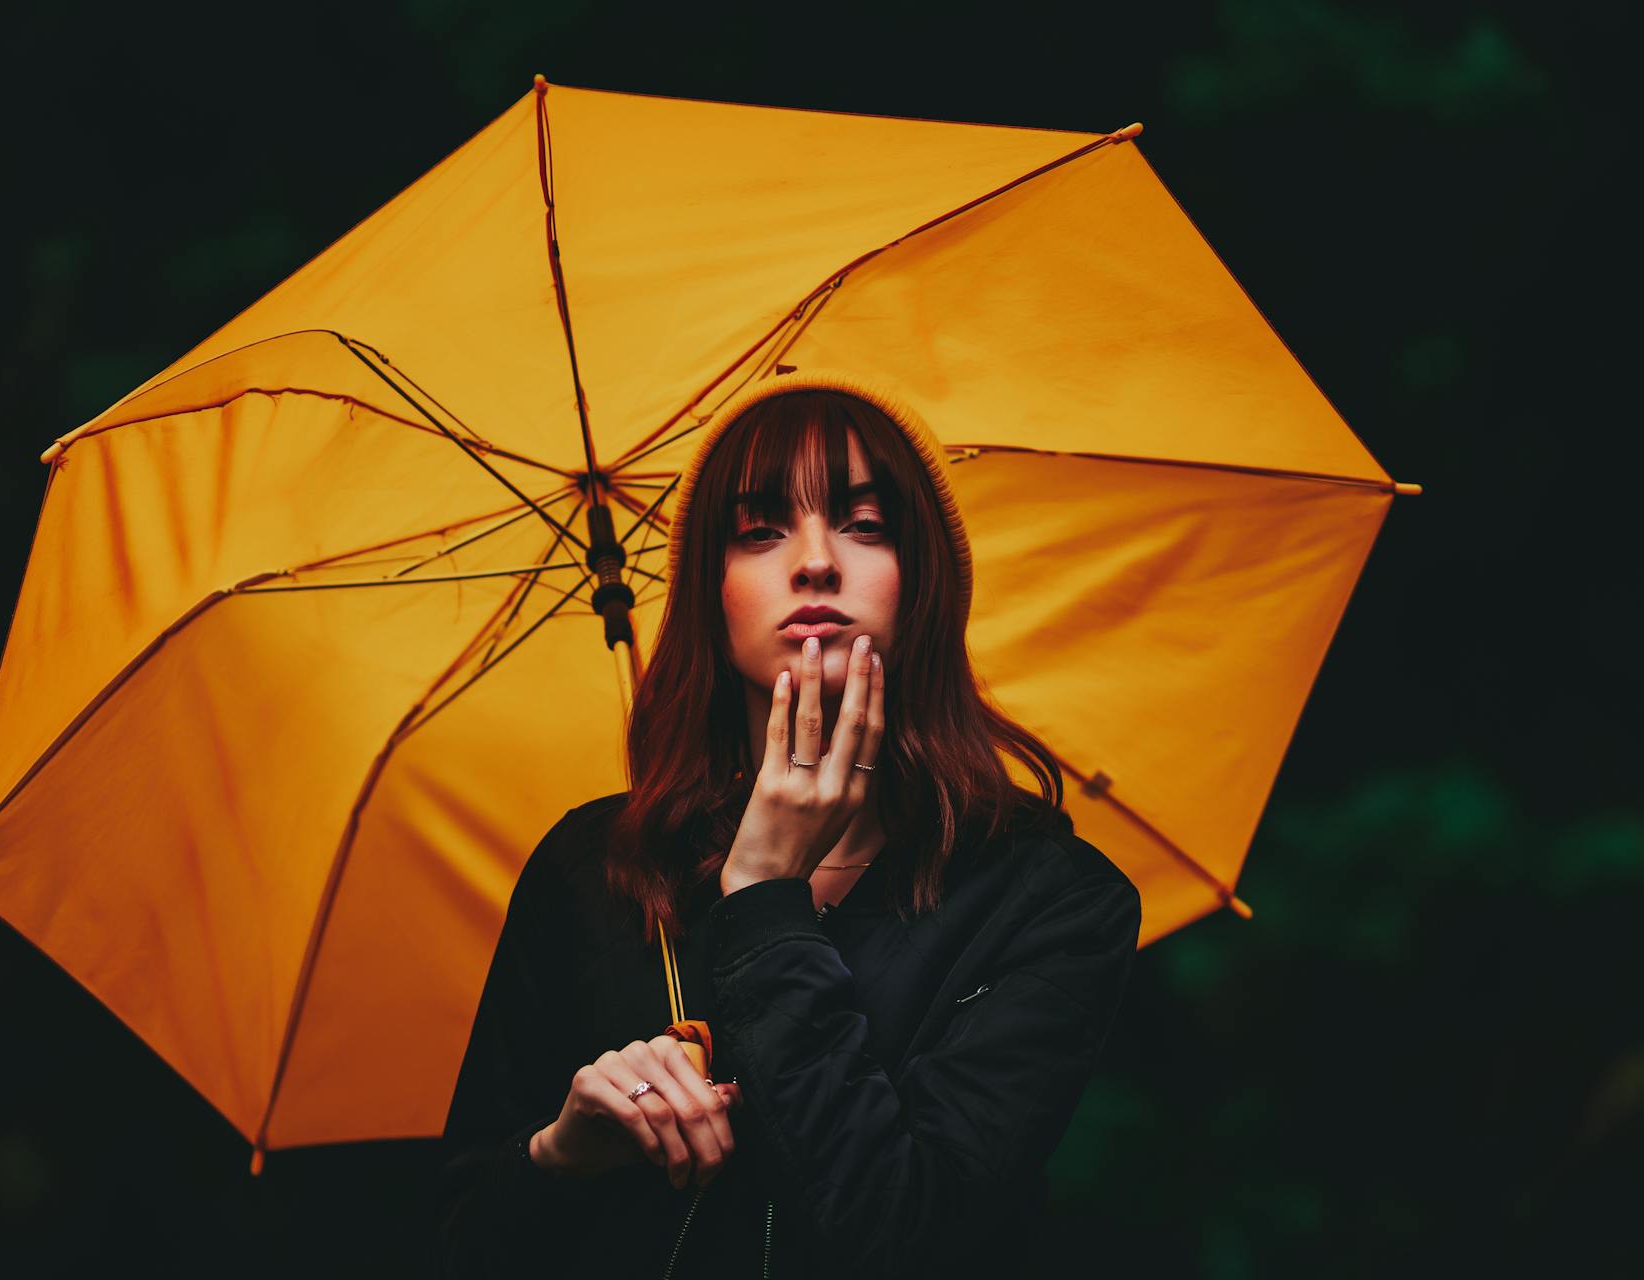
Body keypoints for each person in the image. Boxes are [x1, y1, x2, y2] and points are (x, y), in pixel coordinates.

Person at [433, 367, 1142, 1278]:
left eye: (864, 523)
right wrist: (561, 1152)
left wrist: (764, 897)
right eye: (759, 531)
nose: (814, 560)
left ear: (919, 581)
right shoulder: (595, 869)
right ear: (711, 595)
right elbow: (456, 1240)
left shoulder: (1045, 900)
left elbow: (903, 1233)